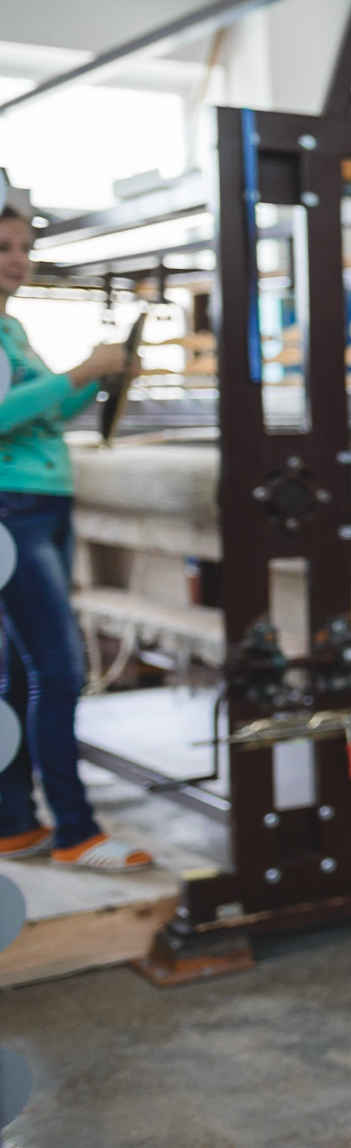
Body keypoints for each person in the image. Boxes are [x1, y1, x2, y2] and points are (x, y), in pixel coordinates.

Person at [0, 202, 153, 872]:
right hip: (12, 509)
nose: (16, 259)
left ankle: (14, 823)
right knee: (59, 671)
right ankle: (75, 832)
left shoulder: (12, 328)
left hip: (42, 504)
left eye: (22, 247)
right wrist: (80, 372)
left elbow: (46, 413)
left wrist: (99, 380)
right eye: (3, 246)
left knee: (15, 676)